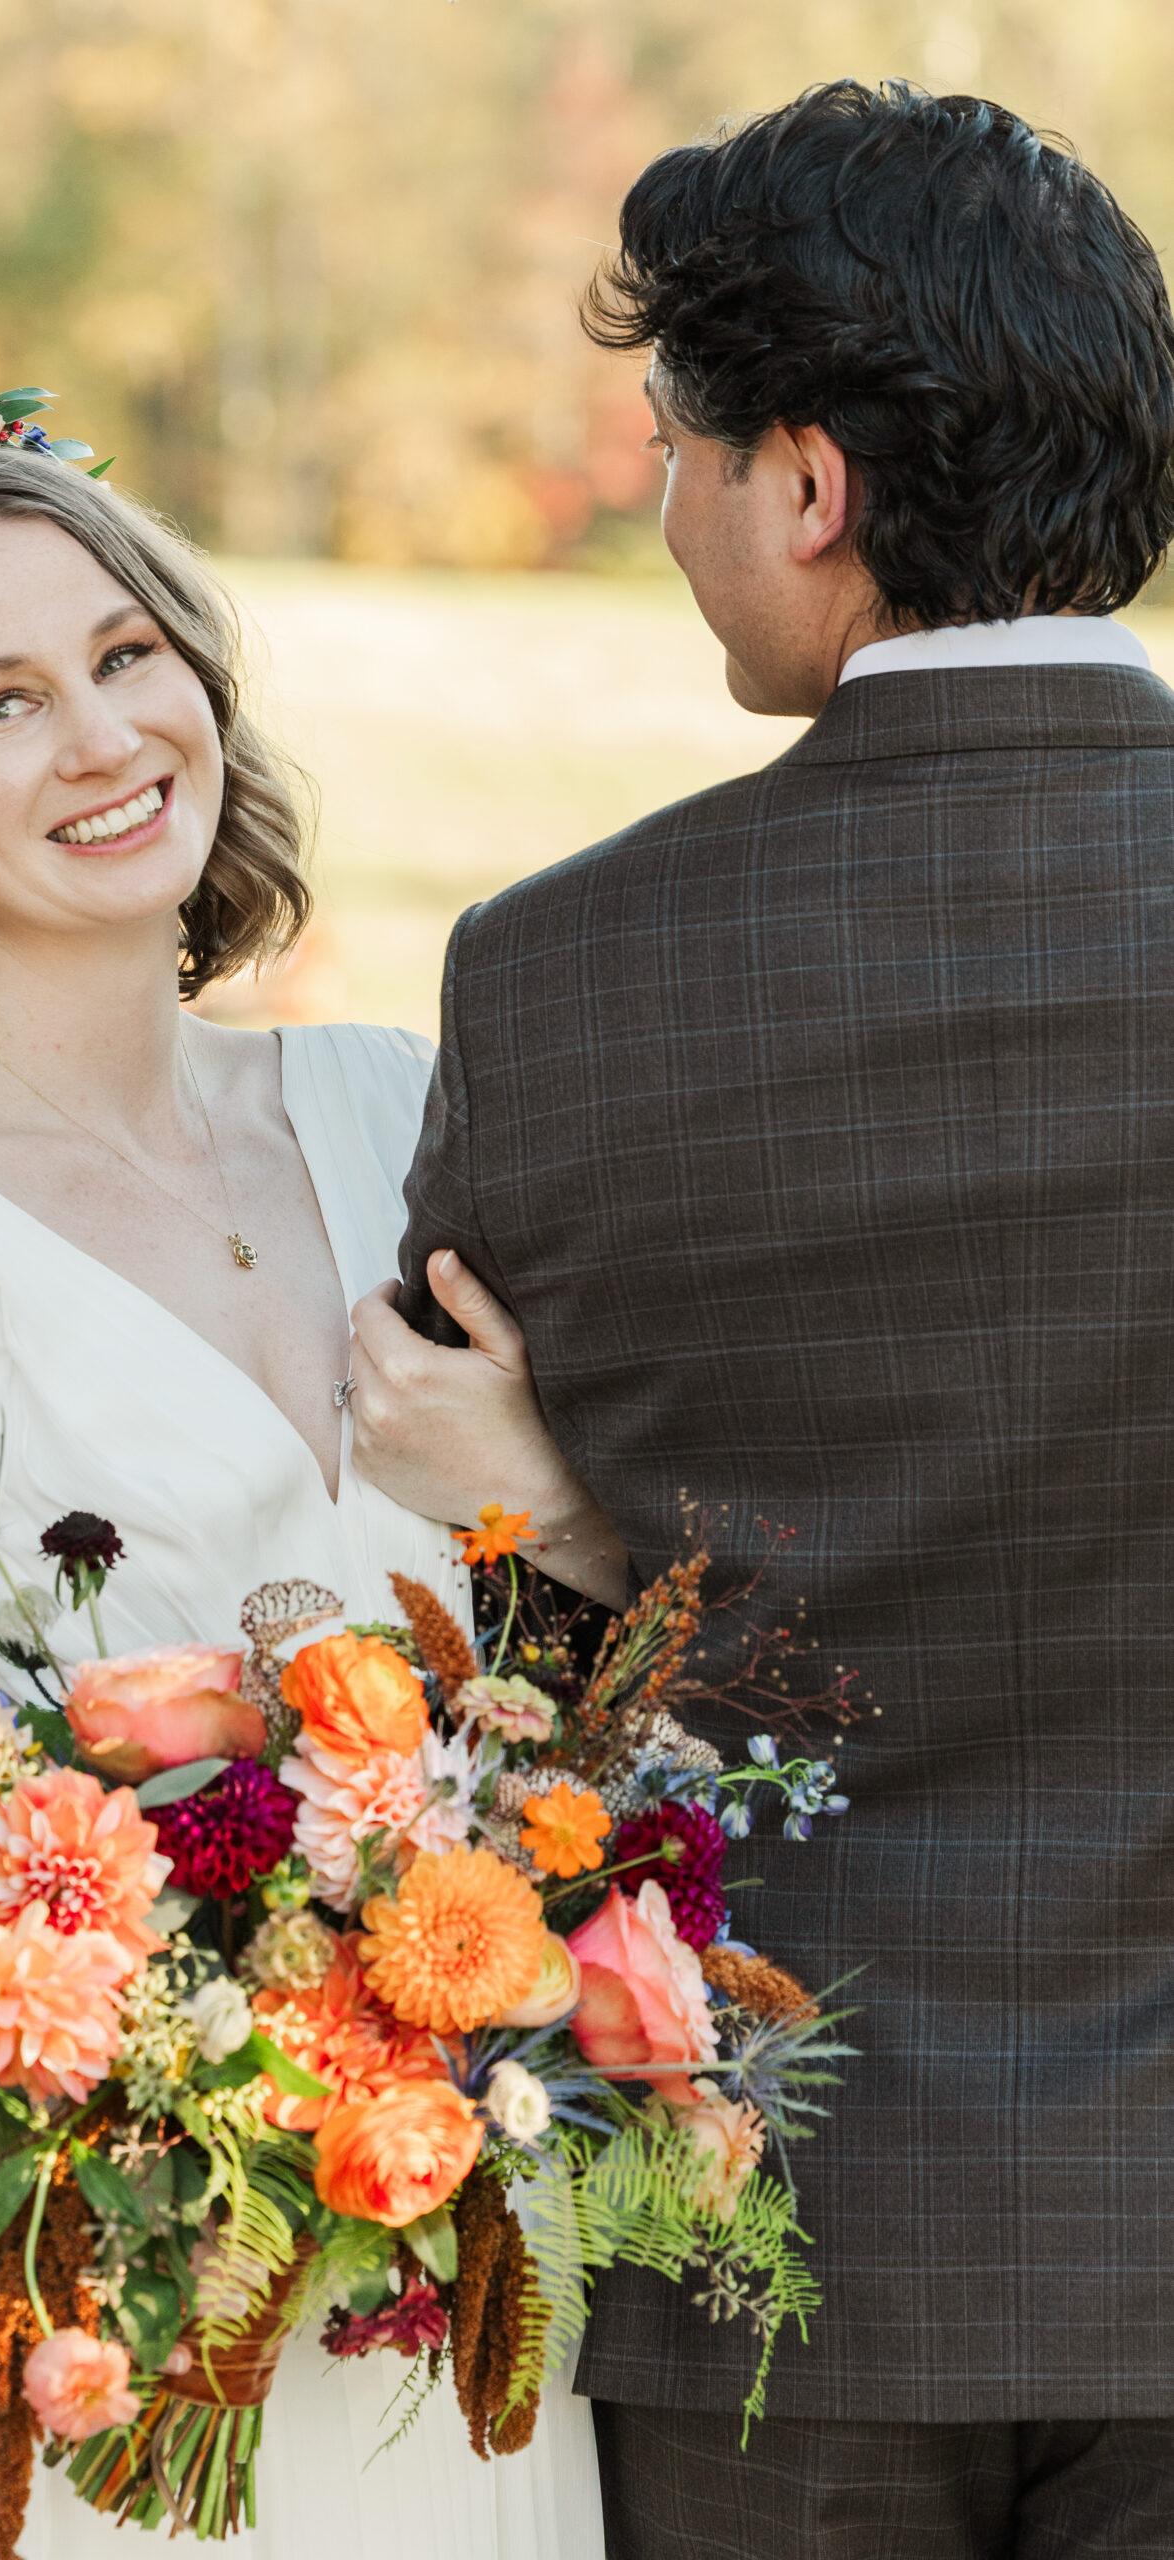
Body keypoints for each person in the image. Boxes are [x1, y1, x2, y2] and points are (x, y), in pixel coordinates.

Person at [349, 80, 1174, 2560]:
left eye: (681, 454)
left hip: (769, 2250)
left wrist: (551, 1515)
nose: (675, 519)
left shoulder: (560, 973)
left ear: (805, 487)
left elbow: (516, 1697)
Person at [0, 433, 618, 2558]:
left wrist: (540, 1499)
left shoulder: (402, 1110)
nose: (103, 735)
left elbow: (586, 1687)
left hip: (456, 2293)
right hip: (107, 2340)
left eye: (124, 652)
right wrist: (182, 2172)